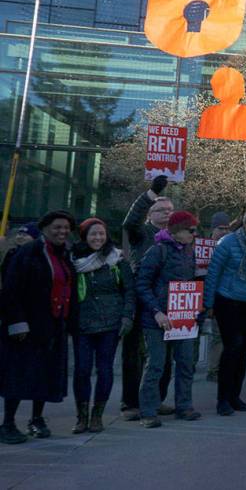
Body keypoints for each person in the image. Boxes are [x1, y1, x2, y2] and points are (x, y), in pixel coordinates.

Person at [0, 211, 76, 444]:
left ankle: (37, 419)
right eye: (57, 227)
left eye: (66, 228)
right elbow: (11, 290)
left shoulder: (65, 255)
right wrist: (17, 323)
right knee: (18, 375)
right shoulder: (27, 254)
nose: (62, 231)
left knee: (45, 373)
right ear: (44, 228)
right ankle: (8, 423)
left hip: (53, 325)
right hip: (27, 328)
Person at [135, 210, 204, 428]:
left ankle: (184, 406)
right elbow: (142, 283)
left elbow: (189, 280)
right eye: (190, 230)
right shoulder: (157, 252)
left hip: (182, 316)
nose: (194, 234)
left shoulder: (188, 252)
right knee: (155, 365)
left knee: (185, 363)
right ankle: (147, 411)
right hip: (157, 318)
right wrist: (156, 310)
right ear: (176, 231)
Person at [70, 218, 134, 434]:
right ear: (84, 236)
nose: (97, 238)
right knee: (81, 371)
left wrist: (127, 317)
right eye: (93, 234)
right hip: (83, 324)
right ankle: (82, 417)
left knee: (105, 370)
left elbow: (129, 291)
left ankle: (97, 416)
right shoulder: (74, 259)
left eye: (101, 234)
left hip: (111, 324)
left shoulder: (117, 259)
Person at [204, 209, 246, 416]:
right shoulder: (228, 243)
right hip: (228, 300)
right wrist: (209, 304)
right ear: (244, 225)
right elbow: (213, 272)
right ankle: (222, 399)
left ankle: (235, 396)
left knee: (243, 351)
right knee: (233, 347)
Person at [120, 176, 175, 420]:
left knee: (165, 354)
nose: (166, 214)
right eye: (161, 210)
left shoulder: (177, 237)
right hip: (141, 300)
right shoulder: (141, 233)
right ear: (149, 214)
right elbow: (130, 221)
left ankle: (157, 398)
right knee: (135, 353)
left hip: (168, 303)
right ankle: (131, 402)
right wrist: (151, 193)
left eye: (170, 210)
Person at [203, 211, 233, 383]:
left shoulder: (228, 247)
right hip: (198, 295)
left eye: (226, 228)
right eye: (220, 228)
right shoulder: (201, 246)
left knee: (218, 335)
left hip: (221, 296)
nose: (224, 231)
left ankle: (214, 369)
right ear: (213, 229)